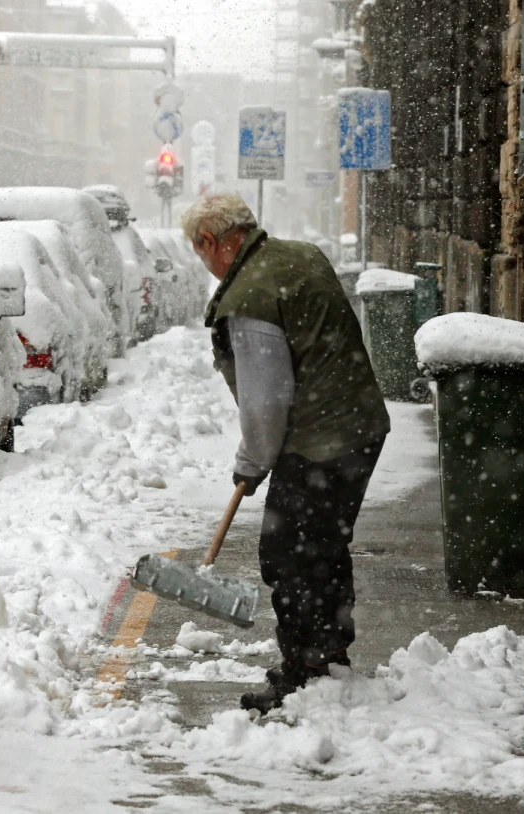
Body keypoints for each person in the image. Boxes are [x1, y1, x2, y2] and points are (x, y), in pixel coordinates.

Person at [181, 193, 390, 714]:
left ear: (214, 242)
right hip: (359, 425)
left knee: (289, 555)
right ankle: (330, 656)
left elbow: (267, 398)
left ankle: (306, 672)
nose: (203, 262)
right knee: (323, 545)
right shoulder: (302, 255)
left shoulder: (250, 297)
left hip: (320, 439)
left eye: (198, 250)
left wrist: (252, 462)